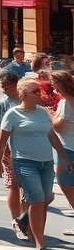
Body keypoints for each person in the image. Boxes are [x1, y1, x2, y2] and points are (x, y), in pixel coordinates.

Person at [0, 77, 74, 250]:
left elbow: (52, 136)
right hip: (24, 162)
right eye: (35, 91)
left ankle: (26, 224)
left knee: (46, 198)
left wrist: (64, 157)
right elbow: (2, 138)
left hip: (46, 163)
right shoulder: (13, 114)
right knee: (38, 199)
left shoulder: (42, 113)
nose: (40, 94)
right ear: (23, 95)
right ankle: (41, 245)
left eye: (40, 91)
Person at [0, 70, 27, 239]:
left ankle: (25, 218)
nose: (4, 90)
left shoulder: (26, 98)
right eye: (2, 87)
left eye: (6, 86)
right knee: (13, 186)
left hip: (28, 150)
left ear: (16, 85)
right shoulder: (3, 103)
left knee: (28, 188)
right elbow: (0, 129)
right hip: (10, 150)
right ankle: (16, 220)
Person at [49, 70, 74, 237]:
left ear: (61, 83)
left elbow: (58, 126)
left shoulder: (66, 103)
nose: (52, 85)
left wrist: (49, 116)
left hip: (66, 148)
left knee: (65, 183)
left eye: (53, 81)